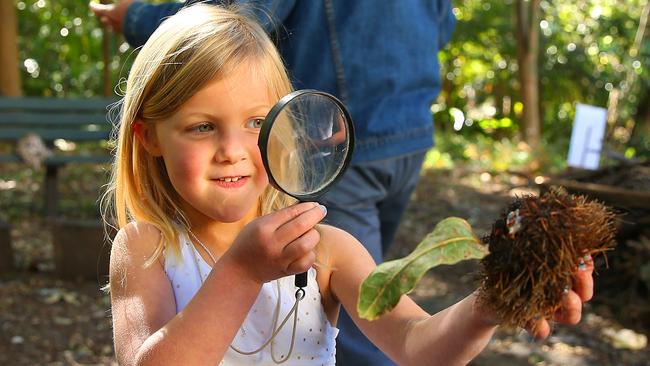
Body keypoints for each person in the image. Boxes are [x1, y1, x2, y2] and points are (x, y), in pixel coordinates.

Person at [100, 4, 595, 366]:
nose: (231, 149)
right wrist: (240, 274)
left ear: (285, 129)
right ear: (149, 138)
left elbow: (418, 345)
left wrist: (490, 305)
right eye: (202, 126)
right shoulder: (146, 248)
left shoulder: (328, 251)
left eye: (255, 123)